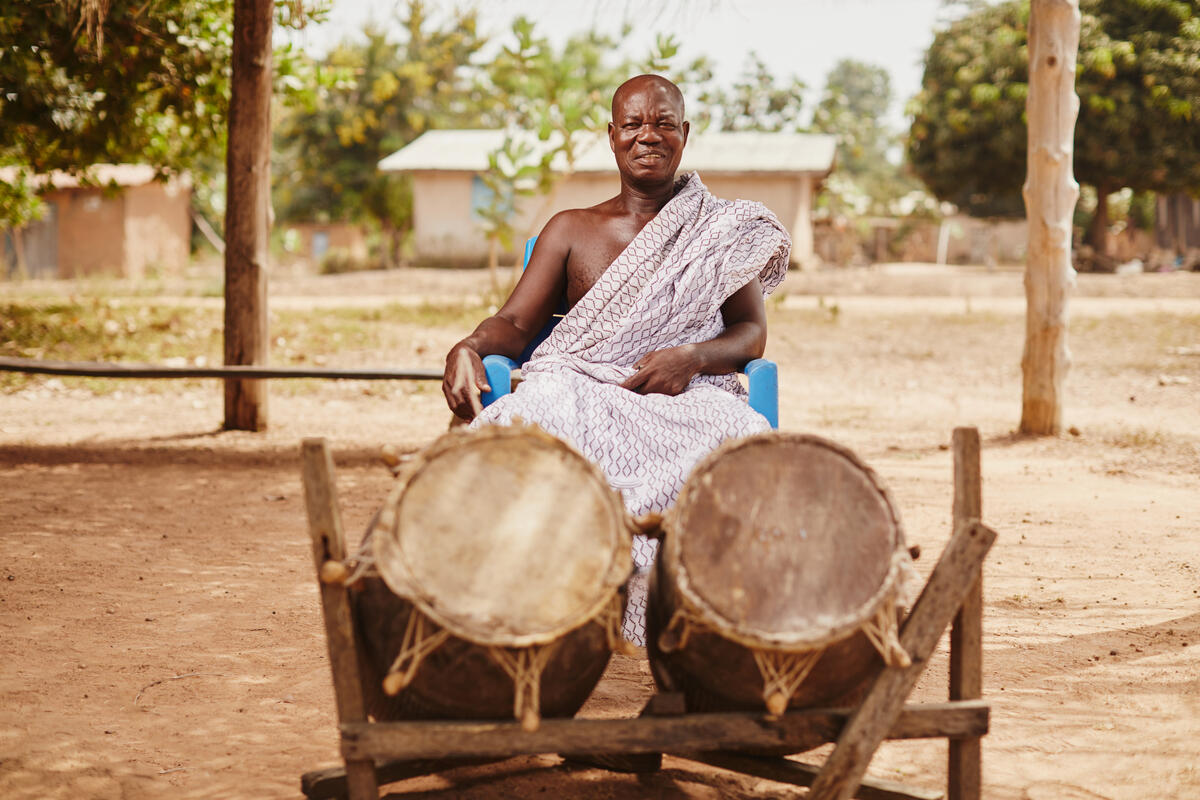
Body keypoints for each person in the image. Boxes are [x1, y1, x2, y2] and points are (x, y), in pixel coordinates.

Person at [442, 74, 791, 646]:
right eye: (633, 124)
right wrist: (470, 347)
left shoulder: (720, 230)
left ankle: (701, 619)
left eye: (662, 124)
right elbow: (515, 324)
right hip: (581, 383)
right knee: (531, 414)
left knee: (741, 434)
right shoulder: (571, 229)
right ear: (612, 136)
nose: (647, 136)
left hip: (684, 395)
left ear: (684, 133)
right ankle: (531, 605)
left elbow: (751, 334)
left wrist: (692, 357)